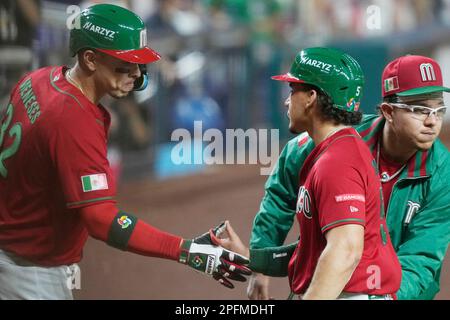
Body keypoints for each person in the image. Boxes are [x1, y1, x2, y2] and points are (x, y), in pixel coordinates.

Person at [0, 4, 251, 300]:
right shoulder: (73, 119)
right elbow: (101, 219)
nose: (136, 74)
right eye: (124, 64)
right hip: (29, 271)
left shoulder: (39, 79)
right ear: (90, 59)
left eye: (138, 63)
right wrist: (187, 251)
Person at [248, 54, 450, 300]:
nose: (432, 122)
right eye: (419, 110)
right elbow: (281, 191)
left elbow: (422, 255)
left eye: (439, 110)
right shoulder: (337, 137)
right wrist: (261, 261)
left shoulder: (443, 173)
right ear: (388, 111)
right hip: (329, 283)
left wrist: (386, 297)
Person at [217, 47, 402, 299]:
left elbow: (345, 250)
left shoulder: (338, 161)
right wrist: (254, 260)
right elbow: (314, 250)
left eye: (292, 91)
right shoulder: (336, 150)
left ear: (311, 97)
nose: (286, 100)